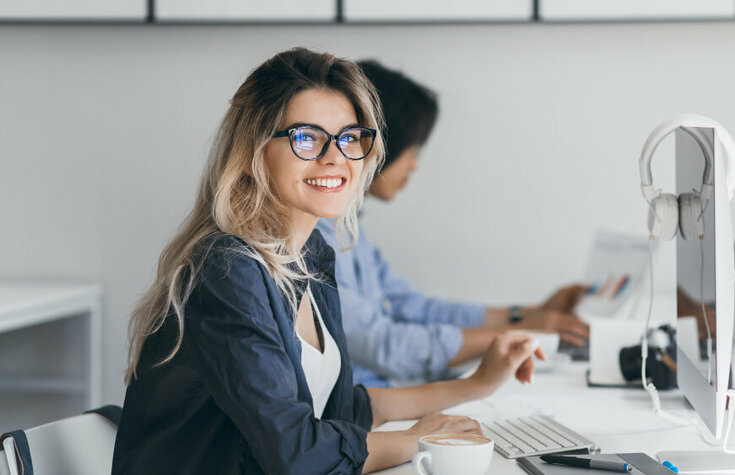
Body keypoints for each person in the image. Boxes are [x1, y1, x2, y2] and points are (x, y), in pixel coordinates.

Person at [113, 48, 544, 474]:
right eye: (306, 137)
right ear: (252, 152)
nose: (336, 156)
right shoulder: (227, 269)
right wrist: (417, 440)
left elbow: (343, 407)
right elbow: (297, 455)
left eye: (350, 137)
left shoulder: (310, 256)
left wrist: (477, 384)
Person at [316, 60, 590, 387]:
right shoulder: (314, 238)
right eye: (413, 147)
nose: (415, 163)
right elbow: (383, 345)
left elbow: (416, 308)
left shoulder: (351, 232)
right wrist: (520, 333)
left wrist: (527, 315)